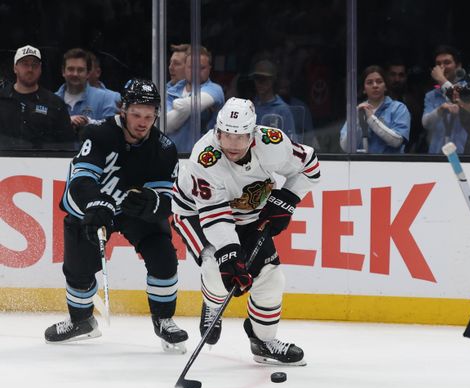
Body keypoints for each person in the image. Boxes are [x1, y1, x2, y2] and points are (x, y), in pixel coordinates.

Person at [171, 97, 320, 365]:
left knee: (271, 278)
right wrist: (229, 253)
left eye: (239, 137)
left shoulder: (273, 143)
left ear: (253, 135)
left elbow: (310, 167)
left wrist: (288, 198)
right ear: (217, 131)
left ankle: (263, 342)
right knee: (215, 266)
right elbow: (214, 214)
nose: (231, 144)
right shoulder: (204, 158)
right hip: (195, 213)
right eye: (225, 135)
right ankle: (213, 303)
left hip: (249, 214)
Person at [44, 79, 188, 352]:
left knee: (163, 255)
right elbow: (82, 179)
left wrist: (152, 203)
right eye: (136, 114)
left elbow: (169, 199)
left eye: (149, 115)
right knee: (79, 270)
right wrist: (95, 203)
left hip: (133, 211)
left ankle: (164, 320)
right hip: (92, 207)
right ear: (123, 109)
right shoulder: (98, 133)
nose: (143, 122)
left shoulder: (164, 148)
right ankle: (81, 321)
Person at [0, 44, 74, 150]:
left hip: (45, 163)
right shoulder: (2, 99)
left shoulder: (55, 104)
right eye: (25, 64)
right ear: (15, 68)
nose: (30, 69)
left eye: (35, 65)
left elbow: (68, 145)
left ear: (40, 69)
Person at [165, 46, 225, 153]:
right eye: (191, 67)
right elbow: (167, 125)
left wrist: (180, 106)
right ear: (185, 68)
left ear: (209, 69)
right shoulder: (171, 91)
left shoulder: (215, 90)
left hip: (202, 158)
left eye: (201, 68)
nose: (195, 72)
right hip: (172, 157)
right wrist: (186, 107)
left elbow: (186, 106)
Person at [339, 65, 410, 154]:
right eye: (369, 82)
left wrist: (371, 119)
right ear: (364, 89)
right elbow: (346, 147)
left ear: (385, 87)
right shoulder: (357, 111)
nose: (375, 85)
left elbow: (397, 141)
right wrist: (357, 119)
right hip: (362, 166)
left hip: (390, 165)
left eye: (379, 81)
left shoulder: (399, 108)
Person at [55, 48, 119, 133]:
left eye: (80, 70)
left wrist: (87, 123)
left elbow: (113, 132)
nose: (75, 74)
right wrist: (66, 122)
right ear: (63, 71)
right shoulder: (51, 100)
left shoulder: (108, 98)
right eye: (71, 69)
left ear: (88, 73)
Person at [422, 45, 469, 154]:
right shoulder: (431, 96)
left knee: (459, 172)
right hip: (436, 157)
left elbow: (457, 98)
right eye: (438, 64)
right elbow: (426, 124)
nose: (442, 67)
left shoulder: (468, 90)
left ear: (458, 66)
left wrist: (442, 79)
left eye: (447, 62)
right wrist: (439, 110)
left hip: (463, 157)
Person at [248, 59, 296, 140]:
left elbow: (291, 141)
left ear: (272, 80)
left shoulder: (282, 109)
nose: (260, 83)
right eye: (257, 78)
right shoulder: (250, 106)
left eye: (264, 79)